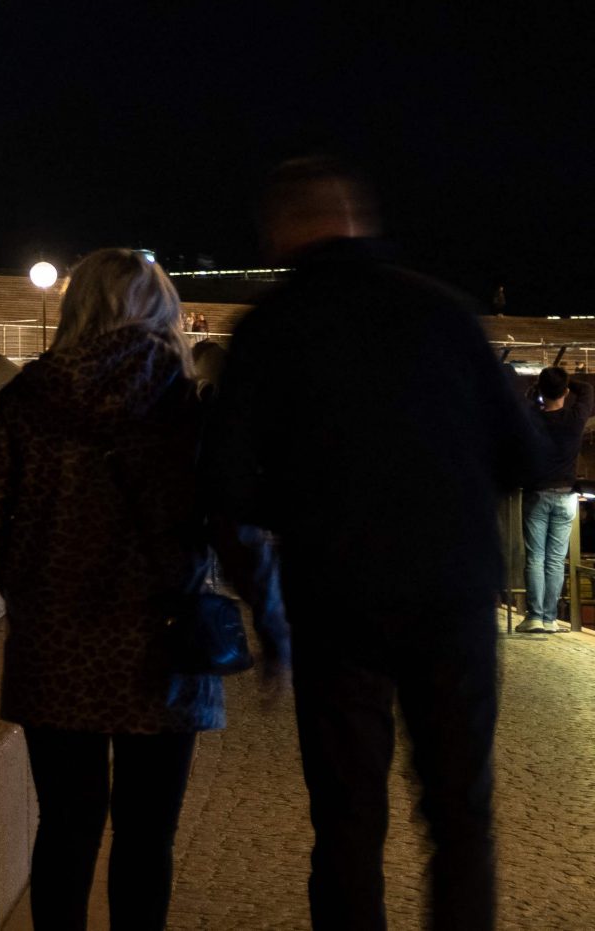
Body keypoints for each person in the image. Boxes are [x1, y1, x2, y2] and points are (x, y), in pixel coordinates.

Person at [206, 159, 535, 931]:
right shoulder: (446, 314)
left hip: (335, 597)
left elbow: (224, 482)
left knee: (348, 819)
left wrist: (293, 530)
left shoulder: (269, 329)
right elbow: (522, 454)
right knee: (459, 813)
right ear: (358, 219)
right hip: (450, 595)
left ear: (282, 230)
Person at [0, 247, 285, 931]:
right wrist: (270, 613)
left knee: (66, 828)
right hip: (161, 642)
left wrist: (32, 585)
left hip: (56, 647)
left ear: (79, 307)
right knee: (147, 837)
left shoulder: (29, 395)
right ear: (161, 310)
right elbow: (234, 518)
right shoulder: (186, 400)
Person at [521, 366, 589, 632]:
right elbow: (588, 390)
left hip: (537, 493)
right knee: (555, 559)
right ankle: (550, 620)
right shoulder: (575, 419)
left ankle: (535, 616)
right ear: (565, 391)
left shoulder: (532, 419)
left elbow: (523, 402)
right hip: (567, 496)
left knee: (535, 557)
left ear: (540, 390)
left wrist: (535, 391)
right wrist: (568, 382)